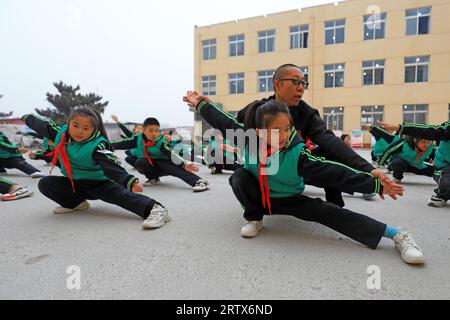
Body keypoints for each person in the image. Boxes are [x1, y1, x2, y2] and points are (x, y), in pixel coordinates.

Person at [183, 91, 424, 264]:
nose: (283, 135)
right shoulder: (247, 141)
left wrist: (373, 183)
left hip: (290, 198)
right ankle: (254, 218)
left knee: (328, 211)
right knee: (238, 177)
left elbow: (335, 172)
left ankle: (396, 234)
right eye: (276, 130)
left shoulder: (297, 155)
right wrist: (201, 105)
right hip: (260, 197)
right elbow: (223, 121)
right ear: (258, 132)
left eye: (287, 129)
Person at [203, 64, 397, 208]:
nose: (301, 87)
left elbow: (329, 141)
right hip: (267, 171)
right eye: (295, 82)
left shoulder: (307, 113)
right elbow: (232, 124)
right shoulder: (257, 110)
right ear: (277, 85)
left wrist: (368, 169)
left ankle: (336, 207)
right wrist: (209, 107)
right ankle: (255, 213)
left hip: (298, 170)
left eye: (303, 83)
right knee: (239, 176)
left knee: (329, 154)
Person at [22, 108, 171, 229]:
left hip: (99, 183)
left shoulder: (98, 145)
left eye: (86, 128)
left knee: (122, 197)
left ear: (94, 129)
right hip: (75, 183)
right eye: (75, 126)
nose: (79, 131)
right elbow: (45, 125)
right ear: (69, 124)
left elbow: (111, 165)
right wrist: (27, 117)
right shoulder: (61, 134)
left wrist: (128, 180)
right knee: (45, 184)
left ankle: (156, 209)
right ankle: (77, 204)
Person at [112, 117, 209, 192]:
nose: (154, 133)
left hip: (165, 164)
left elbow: (171, 154)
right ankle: (153, 178)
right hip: (152, 165)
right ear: (144, 131)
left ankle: (198, 181)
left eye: (157, 130)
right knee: (139, 162)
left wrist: (184, 164)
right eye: (151, 130)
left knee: (170, 167)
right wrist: (108, 145)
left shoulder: (161, 142)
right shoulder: (138, 138)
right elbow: (124, 143)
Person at [378, 120, 449, 207]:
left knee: (433, 171)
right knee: (398, 163)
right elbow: (388, 151)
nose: (425, 145)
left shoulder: (430, 148)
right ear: (415, 140)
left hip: (416, 165)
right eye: (423, 142)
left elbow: (434, 157)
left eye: (428, 142)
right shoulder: (403, 144)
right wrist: (381, 163)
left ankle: (442, 181)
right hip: (400, 163)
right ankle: (397, 177)